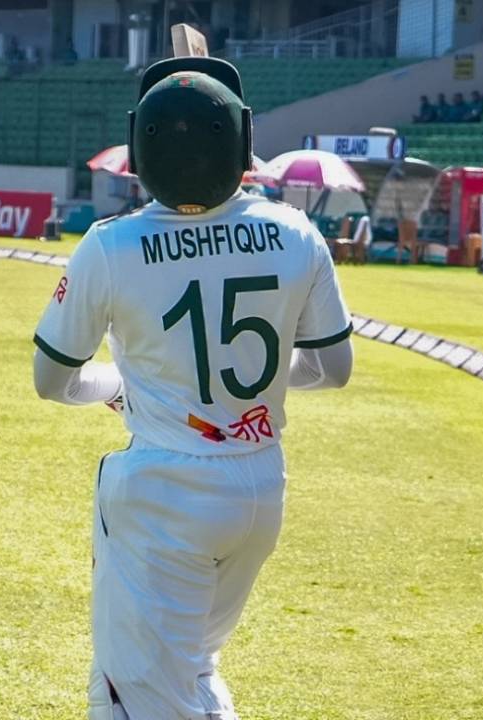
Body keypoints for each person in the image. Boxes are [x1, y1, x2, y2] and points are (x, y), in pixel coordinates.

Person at [31, 56, 352, 720]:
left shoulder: (111, 246)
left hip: (165, 494)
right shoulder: (296, 233)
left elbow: (52, 379)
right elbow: (331, 368)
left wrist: (123, 389)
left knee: (127, 696)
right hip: (259, 488)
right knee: (196, 671)